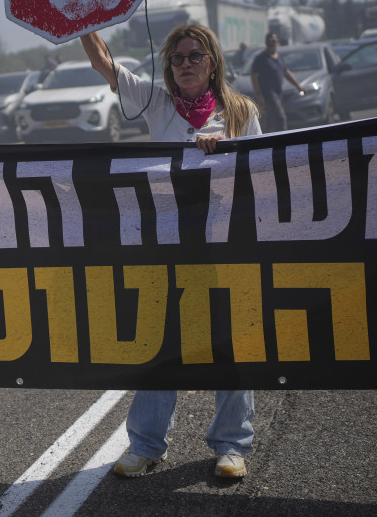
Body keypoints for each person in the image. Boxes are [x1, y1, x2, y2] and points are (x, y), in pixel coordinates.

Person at [80, 23, 262, 480]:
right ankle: (146, 445)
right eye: (177, 58)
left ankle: (231, 446)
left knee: (231, 345)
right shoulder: (155, 102)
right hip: (168, 245)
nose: (185, 64)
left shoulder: (241, 111)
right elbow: (102, 61)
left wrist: (222, 153)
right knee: (160, 345)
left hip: (225, 247)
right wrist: (82, 17)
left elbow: (261, 174)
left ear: (212, 62)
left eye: (194, 56)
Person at [250, 32, 306, 133]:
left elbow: (286, 72)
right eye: (268, 41)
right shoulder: (261, 58)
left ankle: (271, 139)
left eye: (273, 41)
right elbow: (254, 77)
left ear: (277, 42)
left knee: (271, 122)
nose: (271, 43)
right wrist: (259, 95)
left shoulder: (278, 57)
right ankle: (284, 138)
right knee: (281, 118)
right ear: (266, 42)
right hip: (268, 95)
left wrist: (298, 86)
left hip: (279, 94)